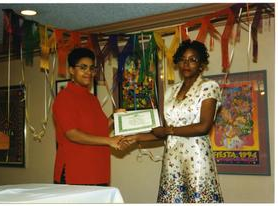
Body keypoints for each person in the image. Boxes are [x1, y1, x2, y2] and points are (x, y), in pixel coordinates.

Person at [124, 39, 224, 203]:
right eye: (183, 59)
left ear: (201, 65)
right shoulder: (171, 90)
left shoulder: (209, 86)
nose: (187, 63)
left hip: (197, 158)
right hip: (172, 159)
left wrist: (168, 131)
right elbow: (163, 131)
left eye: (193, 60)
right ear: (177, 63)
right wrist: (136, 137)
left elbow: (203, 126)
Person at [52, 47, 128, 185]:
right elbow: (72, 134)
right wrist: (109, 141)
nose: (88, 72)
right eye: (83, 67)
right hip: (75, 173)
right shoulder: (64, 98)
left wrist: (114, 116)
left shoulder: (92, 99)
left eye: (91, 68)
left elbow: (100, 128)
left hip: (98, 171)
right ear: (71, 70)